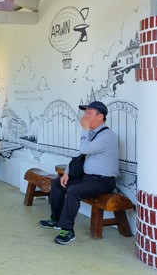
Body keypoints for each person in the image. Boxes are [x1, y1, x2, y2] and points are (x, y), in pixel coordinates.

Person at [39, 101, 119, 246]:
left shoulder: (107, 136)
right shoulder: (93, 134)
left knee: (73, 191)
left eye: (89, 112)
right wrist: (67, 173)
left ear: (100, 116)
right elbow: (80, 157)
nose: (85, 115)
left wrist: (85, 130)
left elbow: (84, 150)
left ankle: (67, 230)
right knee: (57, 183)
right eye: (85, 112)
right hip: (88, 179)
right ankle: (56, 220)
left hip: (103, 182)